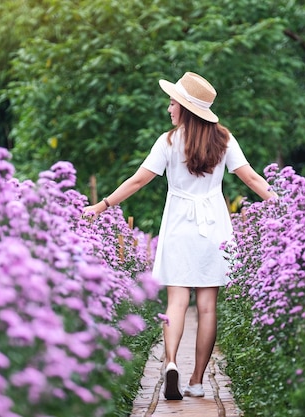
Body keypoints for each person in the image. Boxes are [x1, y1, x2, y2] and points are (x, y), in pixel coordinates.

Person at [83, 71, 276, 400]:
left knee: (176, 300)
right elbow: (253, 179)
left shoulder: (169, 141)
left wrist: (100, 206)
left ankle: (171, 362)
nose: (169, 108)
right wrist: (285, 205)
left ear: (186, 108)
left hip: (178, 225)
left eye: (172, 102)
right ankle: (197, 381)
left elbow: (138, 181)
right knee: (207, 307)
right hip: (213, 226)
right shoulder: (224, 139)